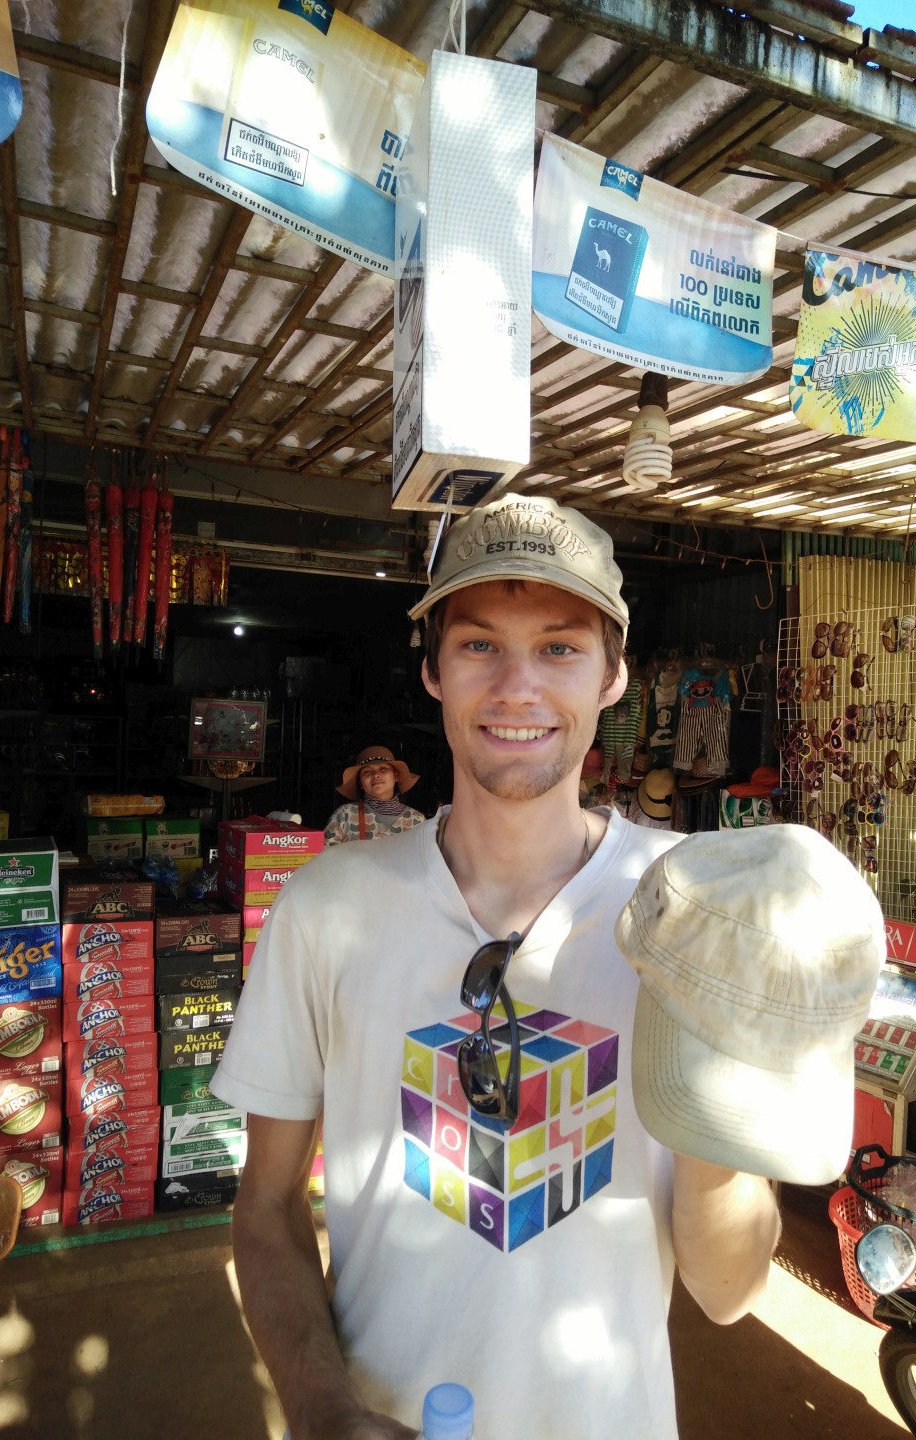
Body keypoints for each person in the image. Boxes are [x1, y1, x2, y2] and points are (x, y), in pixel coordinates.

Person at [211, 491, 781, 1440]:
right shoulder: (326, 908)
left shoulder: (692, 911)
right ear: (433, 671)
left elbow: (730, 1292)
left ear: (612, 676)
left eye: (559, 647)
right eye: (480, 644)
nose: (518, 687)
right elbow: (265, 1207)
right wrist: (320, 1409)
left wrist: (708, 1106)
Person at [323, 744, 426, 845]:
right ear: (360, 783)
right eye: (367, 772)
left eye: (383, 769)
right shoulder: (344, 815)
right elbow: (326, 854)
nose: (376, 775)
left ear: (396, 776)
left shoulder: (417, 820)